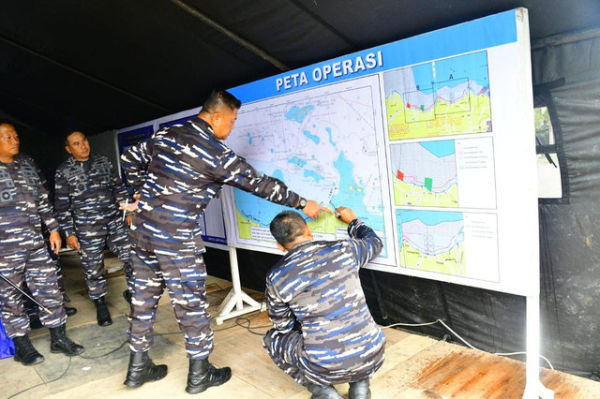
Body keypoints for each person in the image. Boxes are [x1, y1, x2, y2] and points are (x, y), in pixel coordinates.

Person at [119, 90, 330, 393]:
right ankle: (199, 375)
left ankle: (138, 368)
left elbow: (129, 158)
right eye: (231, 122)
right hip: (176, 240)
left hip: (142, 233)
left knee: (142, 301)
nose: (231, 130)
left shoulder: (167, 134)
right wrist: (302, 203)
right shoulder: (214, 153)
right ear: (216, 116)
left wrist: (141, 194)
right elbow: (258, 183)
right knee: (191, 306)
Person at [264, 207, 385, 399]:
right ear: (309, 232)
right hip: (372, 353)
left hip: (324, 365)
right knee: (352, 332)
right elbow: (375, 243)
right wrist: (353, 221)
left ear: (280, 246)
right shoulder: (345, 250)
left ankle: (324, 393)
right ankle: (361, 389)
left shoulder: (276, 276)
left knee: (272, 339)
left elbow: (282, 325)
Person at [0, 122, 84, 366]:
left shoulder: (26, 166)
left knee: (49, 289)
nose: (15, 140)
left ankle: (59, 338)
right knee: (10, 298)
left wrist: (54, 230)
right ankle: (22, 347)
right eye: (7, 137)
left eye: (15, 136)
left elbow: (42, 200)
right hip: (5, 251)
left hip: (36, 244)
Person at [54, 131, 133, 327]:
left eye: (84, 141)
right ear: (68, 149)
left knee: (133, 256)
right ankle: (101, 304)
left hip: (114, 221)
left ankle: (133, 293)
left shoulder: (103, 161)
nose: (83, 146)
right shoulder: (63, 172)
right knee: (93, 267)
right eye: (77, 143)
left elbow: (118, 187)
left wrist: (128, 210)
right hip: (87, 227)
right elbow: (61, 207)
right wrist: (69, 234)